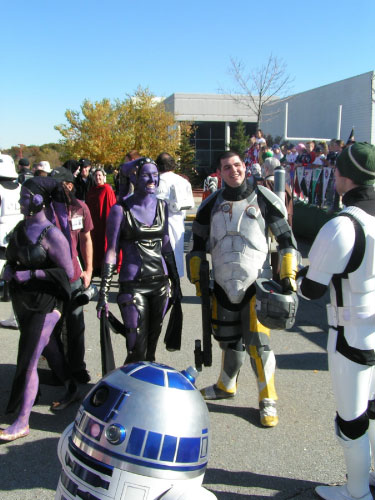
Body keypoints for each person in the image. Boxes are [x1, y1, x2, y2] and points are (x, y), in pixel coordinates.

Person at [187, 151, 298, 427]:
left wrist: (288, 278)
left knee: (258, 344)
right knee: (229, 339)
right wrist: (198, 278)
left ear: (245, 167)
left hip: (257, 283)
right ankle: (226, 384)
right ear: (219, 172)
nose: (233, 170)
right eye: (227, 167)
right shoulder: (210, 204)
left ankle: (267, 398)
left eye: (237, 165)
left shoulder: (264, 198)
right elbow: (197, 244)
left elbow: (286, 240)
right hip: (223, 282)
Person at [299, 142, 375, 500]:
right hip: (367, 329)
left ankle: (357, 491)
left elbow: (311, 290)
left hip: (353, 335)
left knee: (352, 420)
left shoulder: (344, 226)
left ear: (345, 176)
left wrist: (293, 278)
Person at [0, 177, 78, 442]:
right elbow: (12, 257)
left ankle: (22, 421)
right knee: (49, 349)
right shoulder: (21, 228)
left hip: (46, 304)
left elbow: (67, 272)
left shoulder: (52, 234)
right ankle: (71, 385)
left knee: (30, 357)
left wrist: (31, 273)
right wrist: (9, 270)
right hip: (23, 302)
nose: (21, 200)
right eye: (21, 195)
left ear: (40, 200)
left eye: (26, 196)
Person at [97, 157, 181, 363]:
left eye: (155, 174)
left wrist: (176, 282)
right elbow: (111, 251)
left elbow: (166, 246)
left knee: (150, 347)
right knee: (135, 346)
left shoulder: (163, 206)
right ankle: (130, 388)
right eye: (146, 175)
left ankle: (145, 390)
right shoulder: (120, 210)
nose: (152, 179)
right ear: (135, 177)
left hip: (160, 285)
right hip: (132, 286)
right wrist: (104, 293)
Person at [50, 166, 94, 383]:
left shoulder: (81, 208)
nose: (55, 187)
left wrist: (89, 271)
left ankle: (77, 368)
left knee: (75, 326)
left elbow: (86, 239)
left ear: (70, 185)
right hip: (49, 278)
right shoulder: (43, 208)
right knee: (51, 327)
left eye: (59, 183)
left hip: (74, 277)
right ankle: (56, 369)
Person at [156, 152, 194, 277]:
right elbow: (191, 203)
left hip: (158, 224)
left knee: (160, 256)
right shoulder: (183, 181)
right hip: (177, 223)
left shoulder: (157, 181)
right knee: (176, 252)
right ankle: (175, 283)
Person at [0, 154, 23, 328]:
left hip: (2, 240)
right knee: (18, 280)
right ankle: (16, 316)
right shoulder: (20, 187)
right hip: (18, 239)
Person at [86, 168, 116, 275]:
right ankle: (96, 266)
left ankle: (106, 267)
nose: (98, 177)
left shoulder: (107, 189)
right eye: (96, 176)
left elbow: (110, 206)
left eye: (100, 175)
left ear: (104, 177)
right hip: (94, 222)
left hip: (104, 222)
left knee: (105, 243)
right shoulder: (92, 190)